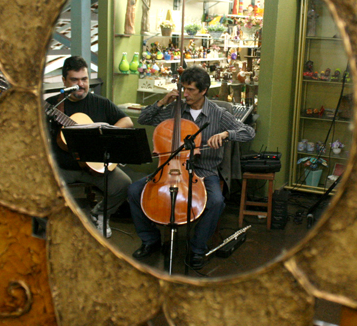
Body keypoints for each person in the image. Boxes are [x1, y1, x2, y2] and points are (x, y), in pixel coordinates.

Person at [128, 66, 255, 270]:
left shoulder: (218, 114)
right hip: (169, 168)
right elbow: (144, 119)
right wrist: (161, 102)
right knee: (134, 191)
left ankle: (197, 248)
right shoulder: (174, 110)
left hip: (204, 172)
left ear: (203, 90)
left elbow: (248, 132)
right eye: (183, 88)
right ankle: (150, 240)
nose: (184, 93)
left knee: (216, 201)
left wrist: (225, 135)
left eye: (190, 90)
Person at [46, 56, 133, 238]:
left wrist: (105, 133)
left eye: (84, 79)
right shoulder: (53, 105)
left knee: (124, 184)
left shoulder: (100, 103)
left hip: (95, 166)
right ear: (64, 81)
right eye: (75, 80)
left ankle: (100, 214)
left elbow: (127, 121)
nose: (81, 84)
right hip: (63, 168)